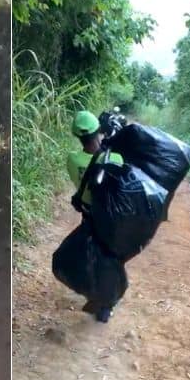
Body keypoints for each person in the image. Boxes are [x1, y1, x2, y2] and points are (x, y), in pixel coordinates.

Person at [67, 110, 124, 322]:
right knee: (111, 258)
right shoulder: (116, 158)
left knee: (93, 254)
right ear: (99, 130)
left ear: (76, 135)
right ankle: (106, 305)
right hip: (111, 218)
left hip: (89, 215)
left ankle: (94, 292)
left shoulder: (72, 159)